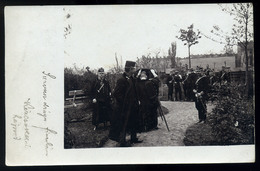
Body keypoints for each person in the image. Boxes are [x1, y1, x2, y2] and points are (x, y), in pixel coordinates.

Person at [109, 61, 142, 147]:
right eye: (134, 68)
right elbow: (117, 94)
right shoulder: (121, 80)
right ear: (130, 69)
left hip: (133, 105)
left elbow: (134, 91)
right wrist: (125, 102)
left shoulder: (132, 78)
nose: (135, 69)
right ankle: (122, 142)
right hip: (125, 107)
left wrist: (137, 100)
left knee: (133, 121)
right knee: (124, 123)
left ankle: (133, 138)